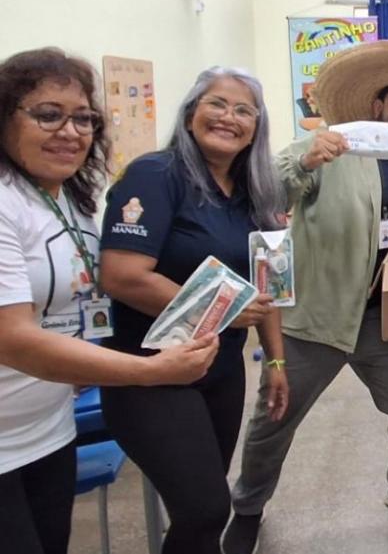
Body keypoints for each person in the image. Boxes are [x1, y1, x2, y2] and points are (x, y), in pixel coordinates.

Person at [223, 41, 388, 553]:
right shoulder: (333, 149)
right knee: (274, 416)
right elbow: (262, 192)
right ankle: (248, 507)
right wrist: (306, 160)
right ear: (378, 107)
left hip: (379, 320)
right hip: (312, 318)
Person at [0, 47, 218, 554]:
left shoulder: (61, 196)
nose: (70, 132)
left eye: (84, 119)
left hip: (47, 429)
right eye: (48, 115)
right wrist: (151, 371)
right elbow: (11, 338)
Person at [98, 67, 288, 554]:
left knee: (201, 504)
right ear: (190, 115)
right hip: (149, 370)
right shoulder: (156, 175)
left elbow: (265, 287)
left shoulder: (256, 192)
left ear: (257, 127)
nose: (229, 117)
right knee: (205, 509)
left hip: (220, 369)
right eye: (217, 104)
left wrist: (277, 360)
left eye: (244, 110)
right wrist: (226, 308)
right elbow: (122, 276)